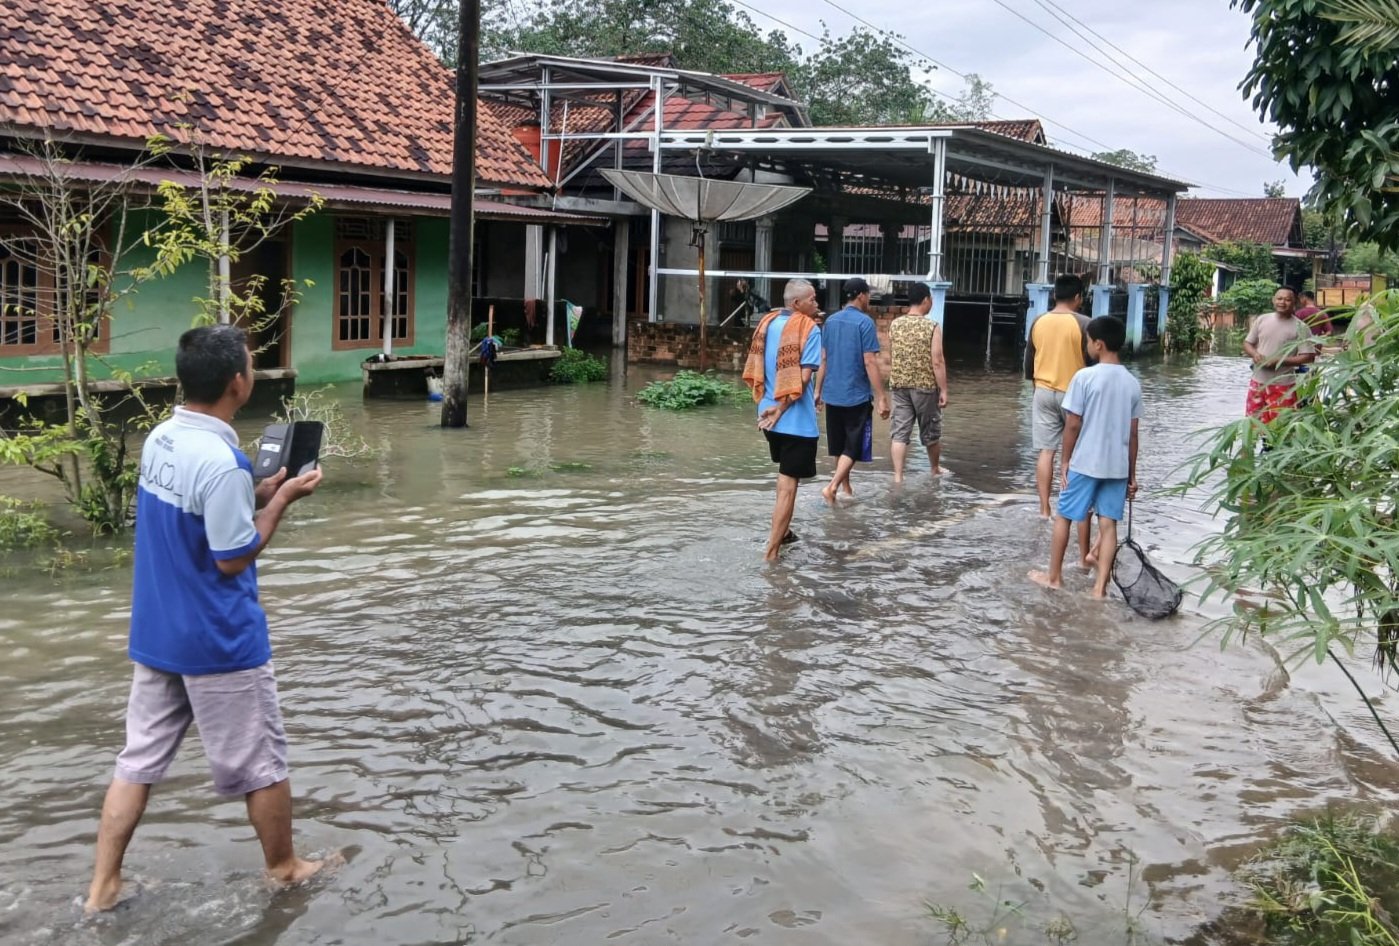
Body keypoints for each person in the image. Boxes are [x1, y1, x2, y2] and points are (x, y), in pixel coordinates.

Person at [85, 325, 328, 913]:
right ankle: (285, 868)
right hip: (218, 640)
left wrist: (255, 490)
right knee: (262, 763)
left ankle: (102, 888)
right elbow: (231, 557)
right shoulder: (223, 461)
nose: (252, 371)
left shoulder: (162, 438)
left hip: (158, 633)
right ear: (237, 383)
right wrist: (280, 500)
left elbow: (197, 515)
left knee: (137, 762)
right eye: (251, 364)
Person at [1030, 316, 1142, 598]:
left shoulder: (1084, 377)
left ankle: (1054, 577)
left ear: (1099, 344)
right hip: (1116, 467)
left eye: (1089, 341)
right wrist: (1132, 474)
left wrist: (1065, 461)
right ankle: (1099, 589)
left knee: (1064, 516)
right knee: (1108, 524)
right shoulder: (1132, 383)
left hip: (1085, 462)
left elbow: (1073, 424)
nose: (1087, 347)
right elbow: (1133, 434)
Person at [743, 278, 823, 561]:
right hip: (794, 421)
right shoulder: (809, 329)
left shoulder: (767, 323)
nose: (817, 303)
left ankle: (785, 533)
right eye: (812, 299)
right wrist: (781, 408)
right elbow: (803, 379)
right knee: (788, 487)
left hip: (767, 417)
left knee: (784, 480)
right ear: (797, 304)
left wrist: (774, 409)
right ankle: (772, 553)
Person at [1025, 274, 1096, 563]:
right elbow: (1094, 365)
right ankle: (1072, 509)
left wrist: (1038, 387)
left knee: (1046, 452)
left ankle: (1044, 510)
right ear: (1078, 297)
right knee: (1075, 456)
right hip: (1073, 396)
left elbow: (1029, 363)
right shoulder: (1085, 324)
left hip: (1042, 391)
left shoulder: (1038, 321)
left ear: (1054, 295)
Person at [814, 276, 890, 502]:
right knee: (854, 447)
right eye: (868, 296)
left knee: (839, 445)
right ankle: (832, 487)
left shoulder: (830, 321)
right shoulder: (865, 323)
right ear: (861, 296)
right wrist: (881, 396)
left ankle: (845, 490)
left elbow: (823, 359)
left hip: (832, 394)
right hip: (856, 395)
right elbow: (869, 361)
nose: (869, 300)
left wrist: (817, 391)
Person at [887, 281, 949, 481]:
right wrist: (944, 390)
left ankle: (898, 476)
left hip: (899, 385)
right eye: (931, 299)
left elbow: (893, 354)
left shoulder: (895, 324)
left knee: (900, 433)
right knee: (931, 431)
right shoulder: (931, 326)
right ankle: (935, 469)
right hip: (925, 387)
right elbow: (937, 360)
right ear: (925, 300)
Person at [1243, 286, 1317, 424]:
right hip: (1257, 383)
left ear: (1295, 302)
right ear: (1273, 300)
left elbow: (1308, 356)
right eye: (1279, 299)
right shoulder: (1262, 319)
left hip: (1283, 385)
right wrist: (1255, 354)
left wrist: (1279, 361)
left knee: (1280, 428)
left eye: (1287, 300)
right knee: (1252, 426)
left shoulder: (1301, 327)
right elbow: (1247, 343)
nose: (1282, 302)